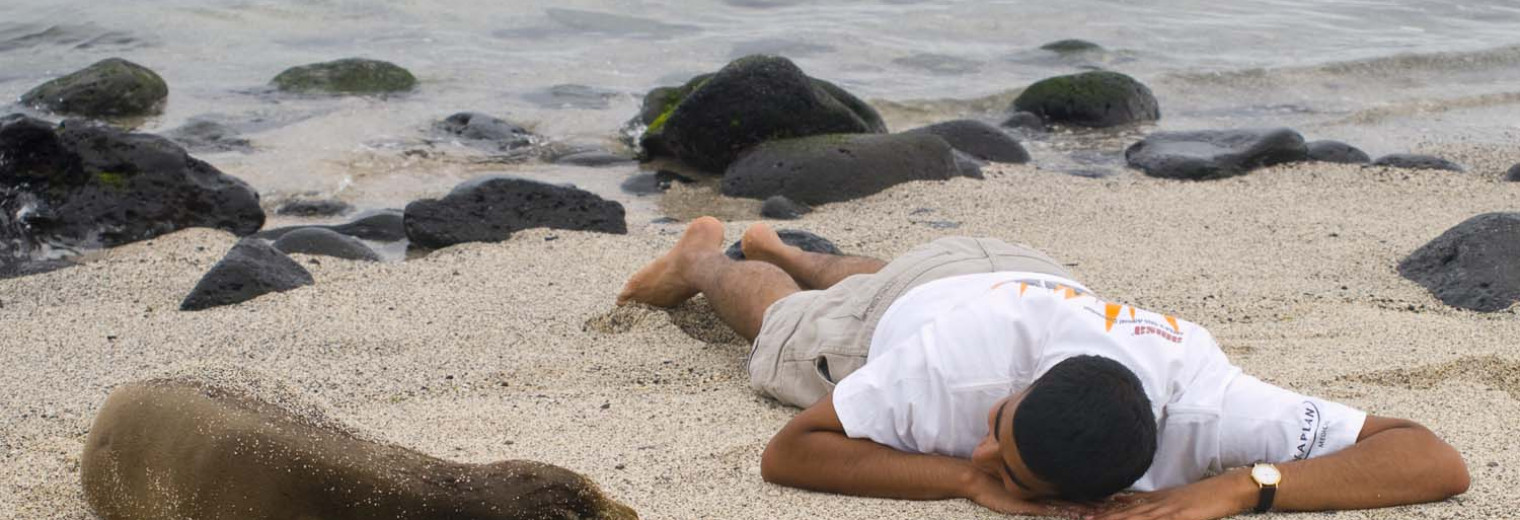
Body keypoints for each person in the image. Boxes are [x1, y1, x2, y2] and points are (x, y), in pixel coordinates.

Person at [617, 217, 1470, 520]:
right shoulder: (950, 378)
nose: (986, 452)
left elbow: (1434, 458)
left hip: (1022, 271)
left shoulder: (1213, 406)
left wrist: (1246, 487)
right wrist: (964, 482)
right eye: (1000, 434)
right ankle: (709, 261)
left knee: (886, 279)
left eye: (1004, 466)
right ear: (1012, 396)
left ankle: (794, 246)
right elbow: (790, 451)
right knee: (789, 330)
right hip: (953, 303)